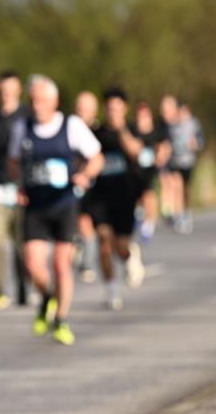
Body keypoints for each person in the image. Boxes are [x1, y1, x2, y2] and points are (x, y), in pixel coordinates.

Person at [8, 75, 103, 345]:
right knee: (33, 266)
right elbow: (13, 161)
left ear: (55, 102)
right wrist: (19, 183)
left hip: (64, 204)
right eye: (33, 101)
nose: (37, 106)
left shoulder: (70, 126)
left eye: (42, 101)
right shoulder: (22, 128)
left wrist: (85, 176)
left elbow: (97, 157)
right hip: (35, 206)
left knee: (61, 264)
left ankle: (61, 319)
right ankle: (48, 297)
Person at [87, 88, 147, 310]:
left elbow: (135, 152)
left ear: (124, 109)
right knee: (103, 240)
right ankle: (111, 289)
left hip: (125, 195)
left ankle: (130, 256)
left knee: (120, 245)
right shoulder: (97, 133)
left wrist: (121, 130)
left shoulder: (131, 129)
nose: (112, 113)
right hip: (101, 196)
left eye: (116, 108)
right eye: (109, 109)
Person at [0, 70, 30, 310]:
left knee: (22, 242)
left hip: (22, 187)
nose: (5, 94)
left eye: (10, 89)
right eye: (2, 90)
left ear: (18, 90)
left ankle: (24, 286)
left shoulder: (27, 116)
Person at [161, 95, 203, 234]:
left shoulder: (192, 123)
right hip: (174, 162)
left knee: (185, 190)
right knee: (175, 184)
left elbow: (200, 140)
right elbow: (166, 141)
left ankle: (186, 212)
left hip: (188, 161)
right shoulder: (170, 125)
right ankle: (176, 215)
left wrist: (196, 144)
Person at [133, 101, 170, 244]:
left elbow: (164, 147)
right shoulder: (133, 130)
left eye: (145, 115)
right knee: (136, 196)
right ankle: (138, 215)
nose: (142, 118)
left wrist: (161, 155)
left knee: (149, 194)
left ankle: (148, 225)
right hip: (135, 168)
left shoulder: (157, 131)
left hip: (150, 168)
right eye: (140, 115)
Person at [74, 90, 100, 283]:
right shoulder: (71, 129)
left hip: (99, 186)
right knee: (82, 221)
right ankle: (87, 263)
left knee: (94, 226)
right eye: (79, 108)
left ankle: (87, 255)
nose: (82, 112)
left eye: (86, 109)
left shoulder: (100, 131)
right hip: (78, 185)